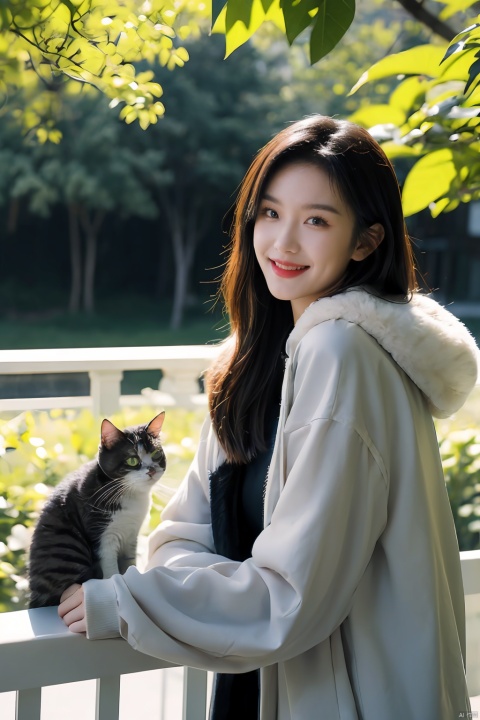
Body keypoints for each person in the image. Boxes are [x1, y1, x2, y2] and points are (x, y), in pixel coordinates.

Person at [59, 115, 479, 720]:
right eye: (269, 213)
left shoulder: (345, 356)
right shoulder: (248, 362)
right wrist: (209, 591)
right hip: (254, 684)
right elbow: (180, 538)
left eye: (316, 221)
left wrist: (126, 602)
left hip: (348, 698)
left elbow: (292, 595)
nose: (282, 243)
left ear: (365, 241)